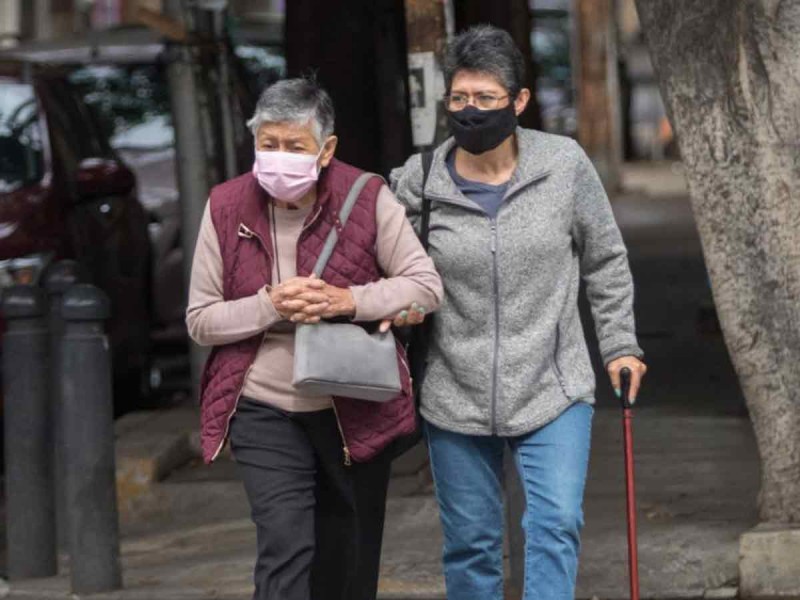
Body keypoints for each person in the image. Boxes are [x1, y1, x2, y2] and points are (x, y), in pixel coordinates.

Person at [391, 25, 647, 600]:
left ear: (519, 101)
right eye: (460, 98)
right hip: (454, 391)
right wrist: (396, 302)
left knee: (556, 524)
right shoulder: (419, 180)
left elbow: (605, 259)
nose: (471, 111)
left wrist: (620, 345)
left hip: (553, 385)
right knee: (471, 545)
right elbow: (387, 259)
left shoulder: (563, 165)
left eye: (486, 98)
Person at [186, 77, 443, 600]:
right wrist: (270, 305)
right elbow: (201, 319)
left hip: (352, 402)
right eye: (268, 144)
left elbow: (425, 286)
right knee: (284, 544)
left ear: (326, 150)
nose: (279, 158)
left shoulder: (366, 196)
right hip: (263, 404)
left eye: (295, 146)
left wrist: (346, 301)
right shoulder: (226, 206)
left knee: (346, 560)